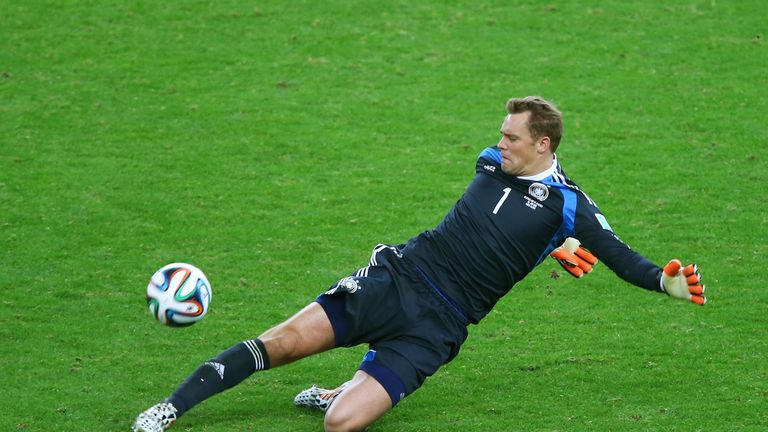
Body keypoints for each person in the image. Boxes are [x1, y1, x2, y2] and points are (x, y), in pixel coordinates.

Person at [132, 96, 706, 432]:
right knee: (280, 343)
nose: (498, 144)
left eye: (511, 138)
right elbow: (499, 219)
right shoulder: (489, 164)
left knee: (342, 424)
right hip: (398, 277)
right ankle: (169, 409)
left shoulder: (571, 205)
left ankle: (336, 393)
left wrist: (663, 281)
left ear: (544, 145)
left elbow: (618, 255)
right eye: (501, 135)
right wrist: (547, 244)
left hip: (441, 325)